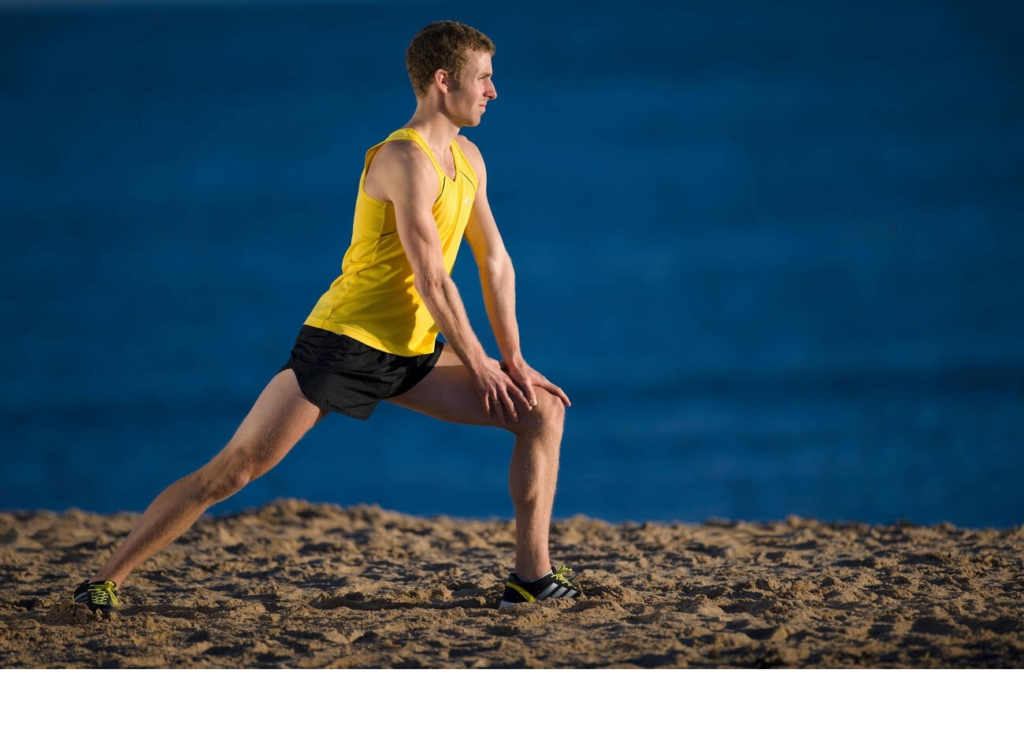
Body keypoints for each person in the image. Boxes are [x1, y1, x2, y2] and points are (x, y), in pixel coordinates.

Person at [72, 20, 581, 613]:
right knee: (234, 471)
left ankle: (531, 576)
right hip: (345, 343)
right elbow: (432, 277)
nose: (494, 91)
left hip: (413, 350)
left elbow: (494, 259)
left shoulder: (468, 158)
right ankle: (104, 580)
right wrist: (479, 362)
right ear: (444, 82)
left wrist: (511, 358)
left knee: (540, 410)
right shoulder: (402, 159)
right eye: (484, 78)